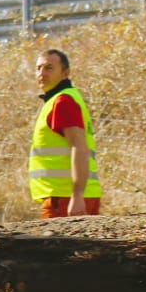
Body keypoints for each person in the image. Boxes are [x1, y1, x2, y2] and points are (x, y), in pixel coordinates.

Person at [30, 47, 101, 217]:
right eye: (38, 68)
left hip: (65, 198)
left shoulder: (63, 101)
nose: (42, 73)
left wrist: (77, 195)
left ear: (65, 73)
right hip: (65, 196)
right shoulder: (58, 100)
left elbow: (79, 147)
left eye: (49, 68)